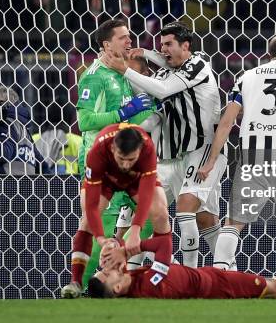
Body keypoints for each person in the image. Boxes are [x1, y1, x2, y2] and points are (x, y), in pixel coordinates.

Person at [103, 21, 226, 269]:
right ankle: (136, 273)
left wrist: (124, 69)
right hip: (174, 157)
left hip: (202, 151)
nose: (164, 49)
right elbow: (151, 95)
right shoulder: (166, 71)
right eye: (161, 45)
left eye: (169, 44)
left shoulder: (198, 65)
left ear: (186, 45)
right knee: (186, 217)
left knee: (185, 211)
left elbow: (162, 90)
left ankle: (192, 275)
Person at [198, 34, 276, 287]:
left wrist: (211, 160)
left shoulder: (246, 77)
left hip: (252, 155)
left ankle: (221, 281)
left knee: (233, 223)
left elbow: (227, 122)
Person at [75, 18, 156, 288]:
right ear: (107, 44)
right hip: (99, 162)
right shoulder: (94, 76)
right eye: (123, 38)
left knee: (151, 217)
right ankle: (85, 288)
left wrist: (153, 107)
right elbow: (85, 121)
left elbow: (129, 120)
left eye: (129, 36)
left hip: (124, 161)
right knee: (98, 226)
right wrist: (125, 112)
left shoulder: (120, 73)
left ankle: (122, 273)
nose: (129, 41)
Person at [61, 123, 171, 299]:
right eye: (121, 158)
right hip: (106, 178)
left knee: (161, 213)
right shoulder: (97, 152)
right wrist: (100, 238)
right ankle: (76, 282)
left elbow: (146, 194)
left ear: (140, 150)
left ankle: (160, 276)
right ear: (113, 148)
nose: (126, 165)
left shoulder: (148, 148)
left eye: (131, 159)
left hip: (136, 180)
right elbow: (91, 206)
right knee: (87, 219)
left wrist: (136, 229)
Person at [88, 234, 276, 300]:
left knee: (272, 293)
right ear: (117, 287)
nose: (111, 267)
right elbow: (164, 244)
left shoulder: (133, 283)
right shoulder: (150, 285)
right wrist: (127, 249)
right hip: (218, 285)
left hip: (208, 275)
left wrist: (114, 247)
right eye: (108, 272)